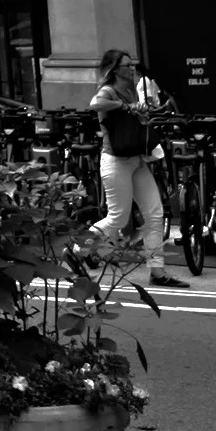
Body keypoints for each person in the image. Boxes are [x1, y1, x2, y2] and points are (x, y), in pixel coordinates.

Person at [89, 48, 186, 290]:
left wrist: (146, 112)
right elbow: (95, 103)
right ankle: (76, 246)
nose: (131, 69)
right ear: (115, 70)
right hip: (116, 161)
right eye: (126, 66)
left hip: (137, 159)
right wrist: (124, 107)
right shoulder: (108, 91)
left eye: (132, 65)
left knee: (154, 214)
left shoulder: (133, 89)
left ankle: (158, 272)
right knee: (118, 217)